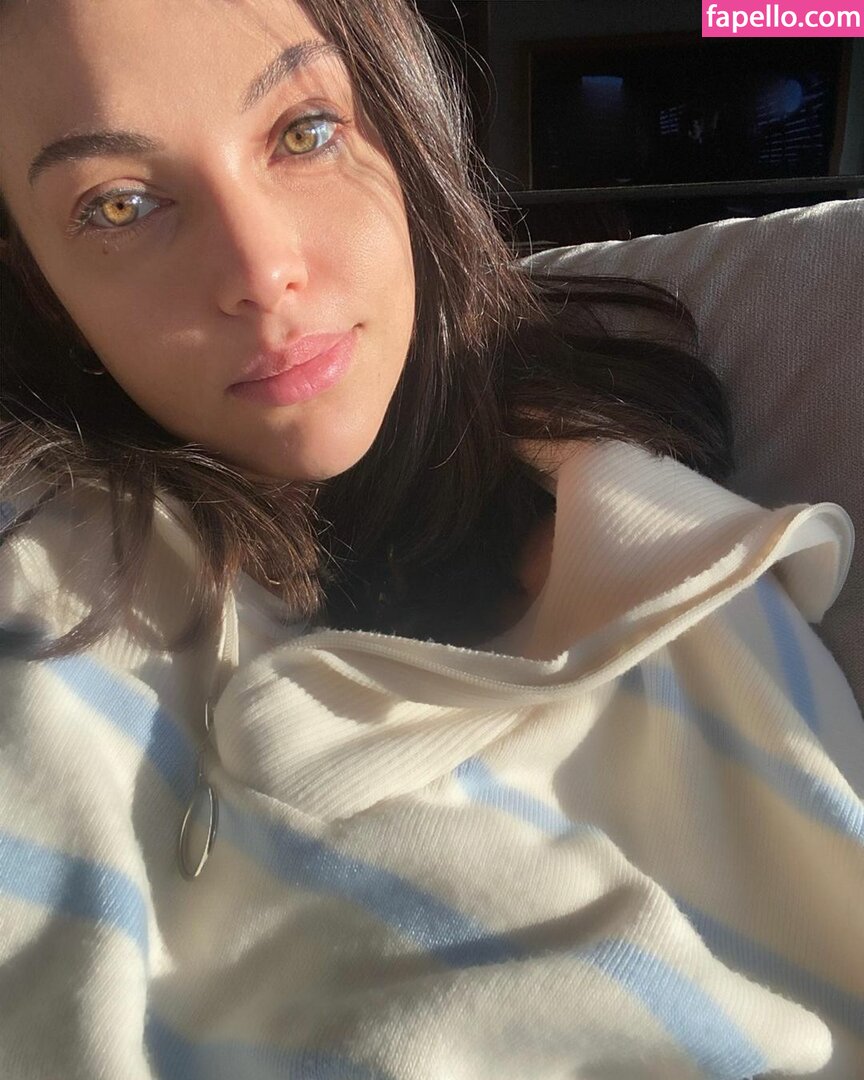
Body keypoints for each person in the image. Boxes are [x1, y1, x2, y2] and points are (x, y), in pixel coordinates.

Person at [0, 0, 861, 1077]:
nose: (261, 272)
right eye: (119, 204)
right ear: (39, 285)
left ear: (403, 131)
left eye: (305, 132)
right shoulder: (45, 562)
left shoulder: (661, 537)